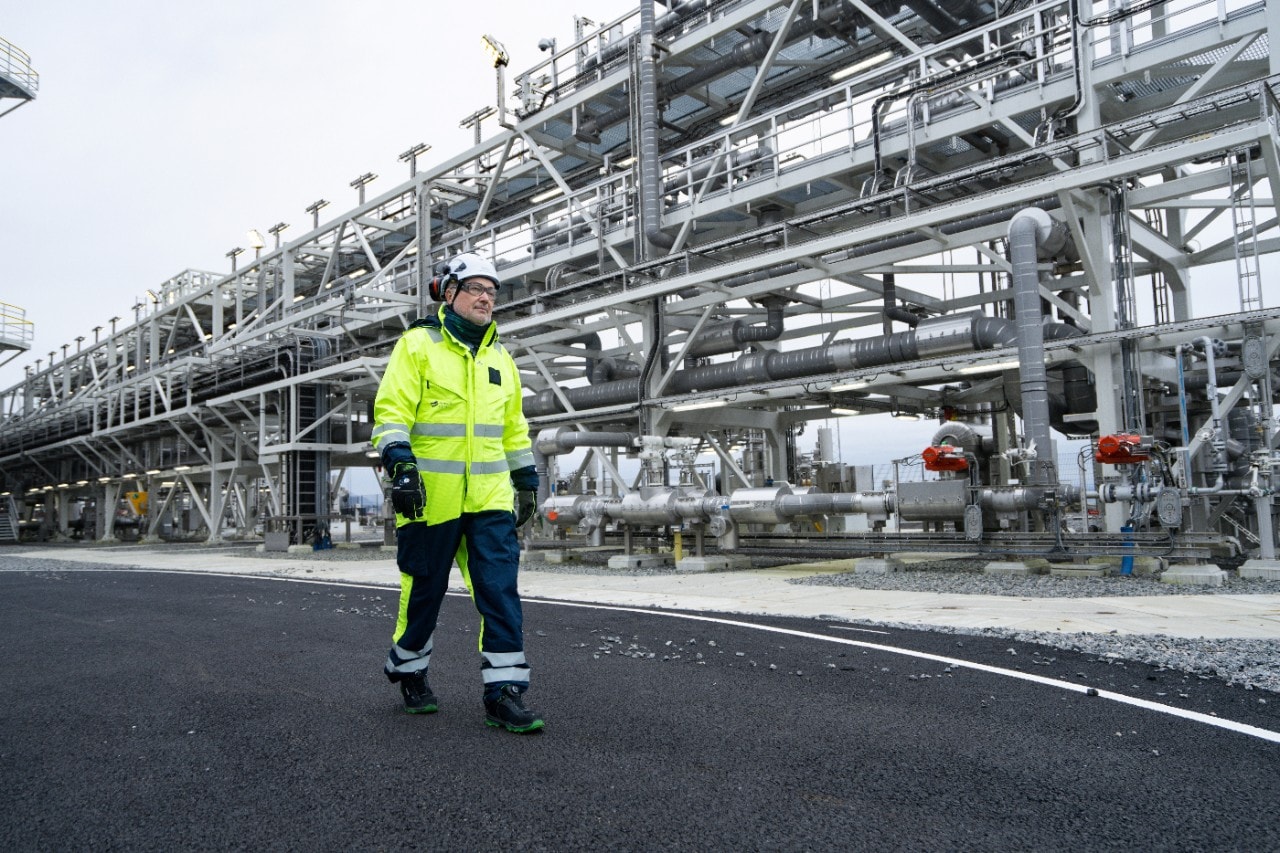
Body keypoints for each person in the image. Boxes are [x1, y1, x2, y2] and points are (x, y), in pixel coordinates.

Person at [372, 252, 543, 733]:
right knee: (424, 594)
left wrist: (526, 480)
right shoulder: (419, 346)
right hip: (429, 500)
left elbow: (513, 429)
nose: (487, 296)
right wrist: (401, 466)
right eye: (475, 288)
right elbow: (391, 412)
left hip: (489, 499)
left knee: (499, 592)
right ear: (449, 294)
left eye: (492, 290)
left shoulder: (500, 358)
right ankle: (409, 672)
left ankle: (505, 694)